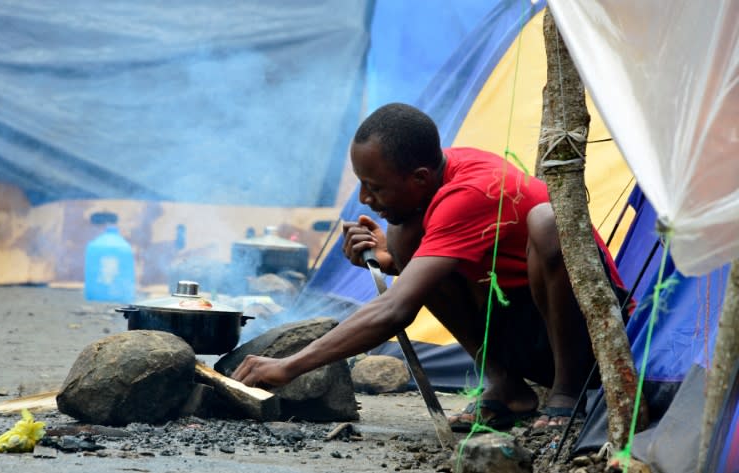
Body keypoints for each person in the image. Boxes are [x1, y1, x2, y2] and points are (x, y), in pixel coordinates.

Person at [233, 102, 628, 431]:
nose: (365, 198)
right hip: (524, 324)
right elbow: (426, 257)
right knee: (405, 232)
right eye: (361, 184)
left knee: (547, 220)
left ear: (420, 177)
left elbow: (396, 311)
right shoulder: (443, 175)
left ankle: (567, 394)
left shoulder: (470, 191)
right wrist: (391, 260)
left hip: (592, 339)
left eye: (375, 185)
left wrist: (291, 365)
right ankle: (505, 388)